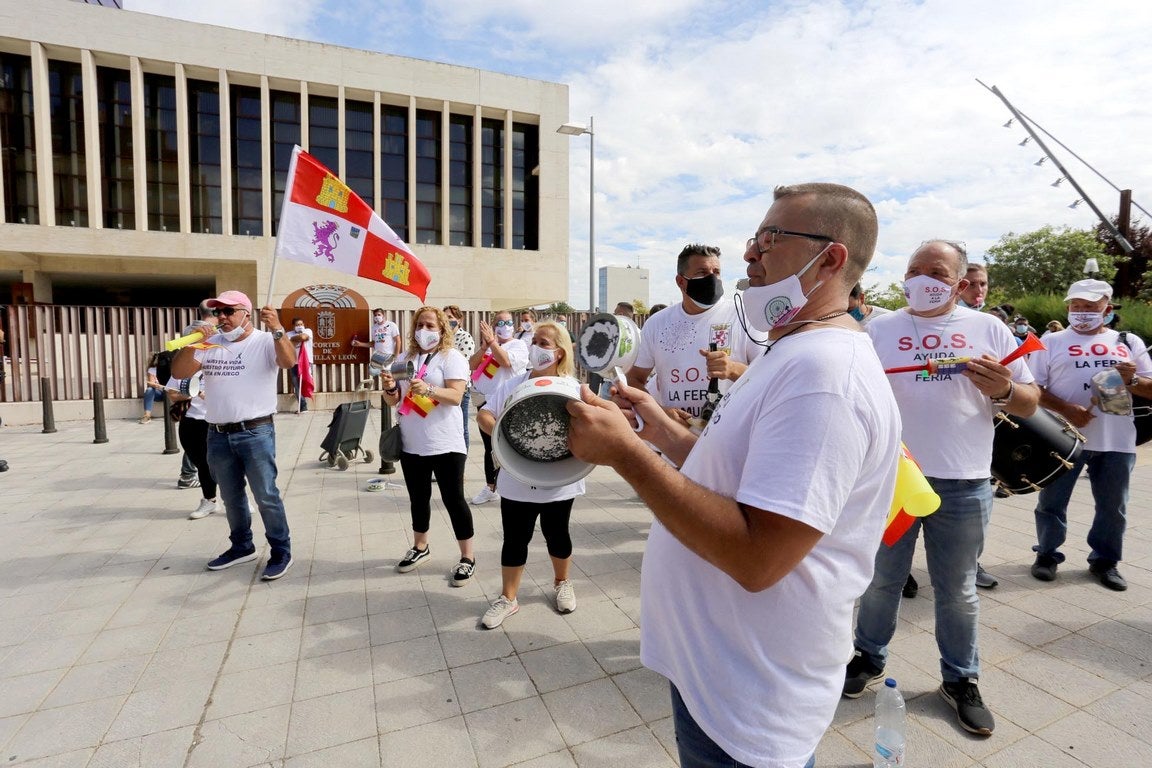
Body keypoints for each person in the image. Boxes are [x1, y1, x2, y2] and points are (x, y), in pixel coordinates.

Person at [568, 183, 900, 768]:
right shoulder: (790, 350)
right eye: (754, 238)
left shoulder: (825, 374)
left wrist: (626, 455)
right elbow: (736, 474)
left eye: (770, 240)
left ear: (832, 257)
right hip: (719, 673)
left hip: (751, 699)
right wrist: (659, 433)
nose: (750, 255)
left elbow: (758, 557)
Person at [846, 239, 1040, 737]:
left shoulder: (989, 328)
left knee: (957, 591)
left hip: (964, 483)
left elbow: (1030, 402)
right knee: (881, 581)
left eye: (936, 270)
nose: (922, 278)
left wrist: (1002, 389)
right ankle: (868, 657)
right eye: (914, 269)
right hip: (893, 479)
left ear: (960, 281)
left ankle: (960, 679)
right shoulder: (879, 328)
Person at [1027, 279, 1152, 591]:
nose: (1081, 312)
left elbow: (1150, 386)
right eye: (1076, 306)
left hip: (1116, 439)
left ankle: (1105, 561)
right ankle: (1047, 554)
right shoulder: (1051, 341)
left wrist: (1132, 378)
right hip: (1064, 439)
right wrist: (1068, 409)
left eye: (1090, 307)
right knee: (1052, 502)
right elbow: (1035, 389)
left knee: (1113, 506)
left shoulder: (1128, 341)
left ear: (1107, 309)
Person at [170, 290, 297, 581]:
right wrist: (195, 343)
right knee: (231, 495)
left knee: (265, 495)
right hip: (217, 433)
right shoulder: (210, 343)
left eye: (229, 311)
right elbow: (179, 372)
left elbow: (289, 362)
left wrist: (277, 328)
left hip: (255, 431)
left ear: (246, 314)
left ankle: (281, 550)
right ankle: (241, 546)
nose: (222, 317)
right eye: (218, 312)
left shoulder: (264, 341)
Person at [477, 321, 584, 628]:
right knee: (515, 538)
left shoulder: (572, 387)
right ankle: (508, 598)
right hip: (517, 476)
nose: (535, 346)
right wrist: (495, 429)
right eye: (534, 340)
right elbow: (485, 412)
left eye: (544, 342)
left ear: (560, 351)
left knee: (557, 533)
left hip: (557, 477)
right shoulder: (513, 383)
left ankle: (562, 582)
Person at [380, 306, 476, 585]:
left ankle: (467, 557)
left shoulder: (451, 357)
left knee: (453, 499)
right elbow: (393, 400)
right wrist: (388, 388)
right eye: (420, 324)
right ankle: (421, 547)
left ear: (442, 329)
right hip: (412, 441)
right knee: (418, 498)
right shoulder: (404, 357)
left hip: (445, 442)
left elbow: (457, 396)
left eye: (431, 325)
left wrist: (430, 389)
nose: (425, 330)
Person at [625, 243, 757, 433]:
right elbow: (634, 379)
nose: (712, 278)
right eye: (702, 272)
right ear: (681, 281)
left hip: (729, 440)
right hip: (674, 439)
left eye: (716, 272)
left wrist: (733, 369)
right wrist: (660, 413)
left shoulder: (744, 316)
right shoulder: (657, 323)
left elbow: (768, 378)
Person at [468, 309, 529, 504]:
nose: (505, 327)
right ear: (493, 327)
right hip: (485, 402)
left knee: (509, 444)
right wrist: (484, 346)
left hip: (507, 402)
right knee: (490, 446)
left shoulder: (518, 345)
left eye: (508, 322)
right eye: (500, 323)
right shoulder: (490, 347)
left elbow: (505, 362)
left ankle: (519, 483)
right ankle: (490, 487)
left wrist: (493, 343)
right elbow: (471, 364)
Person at [167, 323, 218, 520]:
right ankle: (209, 500)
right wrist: (190, 393)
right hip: (191, 420)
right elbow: (172, 394)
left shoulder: (218, 358)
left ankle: (238, 498)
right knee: (202, 463)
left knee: (225, 464)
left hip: (217, 420)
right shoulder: (183, 365)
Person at [178, 302, 217, 488]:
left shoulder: (189, 329)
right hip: (195, 394)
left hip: (198, 396)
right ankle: (188, 474)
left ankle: (189, 473)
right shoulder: (199, 332)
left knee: (203, 448)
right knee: (201, 446)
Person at [443, 305, 476, 449]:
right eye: (444, 317)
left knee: (461, 427)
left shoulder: (465, 337)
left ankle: (461, 462)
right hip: (443, 387)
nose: (447, 320)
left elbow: (464, 364)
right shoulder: (442, 337)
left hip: (460, 389)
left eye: (450, 317)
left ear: (459, 320)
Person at [286, 317, 313, 412]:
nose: (300, 326)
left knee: (305, 382)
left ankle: (305, 403)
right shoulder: (288, 334)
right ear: (293, 326)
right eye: (297, 325)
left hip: (306, 362)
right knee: (297, 385)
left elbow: (303, 337)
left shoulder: (308, 331)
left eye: (301, 324)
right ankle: (303, 406)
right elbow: (288, 344)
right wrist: (294, 338)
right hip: (294, 362)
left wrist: (294, 339)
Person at [139, 354, 166, 423]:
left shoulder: (169, 368)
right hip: (160, 393)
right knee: (149, 390)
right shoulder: (152, 370)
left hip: (169, 393)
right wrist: (157, 385)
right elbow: (151, 383)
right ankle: (147, 416)